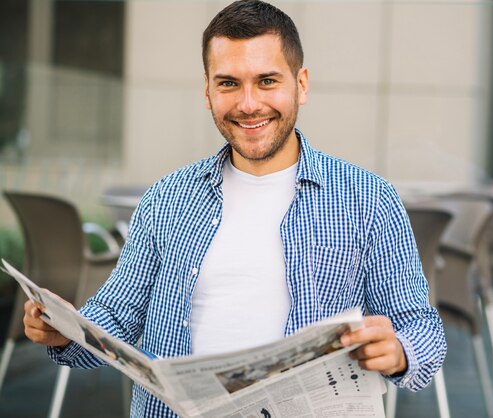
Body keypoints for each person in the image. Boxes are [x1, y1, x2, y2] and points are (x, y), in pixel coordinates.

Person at [22, 1, 446, 416]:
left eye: (266, 81)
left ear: (301, 84)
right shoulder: (166, 198)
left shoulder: (368, 199)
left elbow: (423, 331)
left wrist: (400, 352)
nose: (247, 104)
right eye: (228, 83)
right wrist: (66, 332)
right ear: (207, 91)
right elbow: (116, 317)